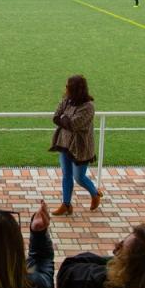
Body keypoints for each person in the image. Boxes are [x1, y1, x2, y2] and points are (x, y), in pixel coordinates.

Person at [50, 75, 102, 215]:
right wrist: (64, 119)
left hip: (81, 147)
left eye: (67, 86)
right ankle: (66, 205)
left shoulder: (88, 107)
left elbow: (73, 125)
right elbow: (55, 117)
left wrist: (64, 118)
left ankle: (94, 193)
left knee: (79, 177)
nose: (65, 88)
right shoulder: (66, 101)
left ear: (75, 89)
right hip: (64, 143)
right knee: (66, 175)